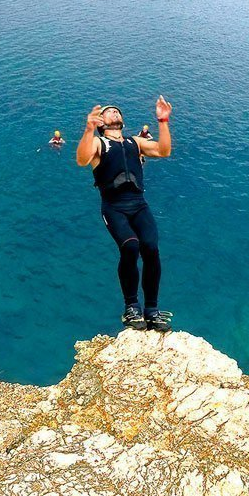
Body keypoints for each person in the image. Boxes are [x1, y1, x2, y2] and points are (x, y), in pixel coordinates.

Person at [76, 98, 173, 331]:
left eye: (116, 111)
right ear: (101, 123)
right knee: (130, 246)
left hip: (139, 205)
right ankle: (131, 308)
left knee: (150, 247)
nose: (113, 113)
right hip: (114, 207)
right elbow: (82, 159)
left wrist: (163, 120)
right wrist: (88, 129)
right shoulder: (99, 144)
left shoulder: (135, 142)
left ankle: (152, 310)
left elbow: (163, 151)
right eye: (108, 112)